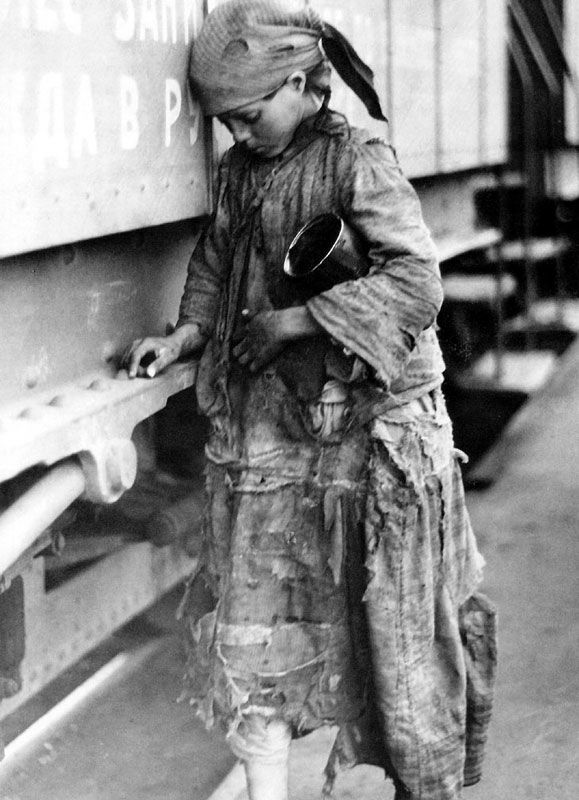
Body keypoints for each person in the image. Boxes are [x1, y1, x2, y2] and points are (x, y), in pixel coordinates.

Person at [124, 2, 497, 798]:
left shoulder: (359, 158)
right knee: (257, 631)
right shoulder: (237, 173)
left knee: (399, 644)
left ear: (299, 83)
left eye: (248, 114)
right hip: (274, 436)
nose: (235, 133)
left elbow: (415, 282)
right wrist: (186, 336)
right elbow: (215, 266)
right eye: (223, 121)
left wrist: (295, 321)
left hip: (378, 437)